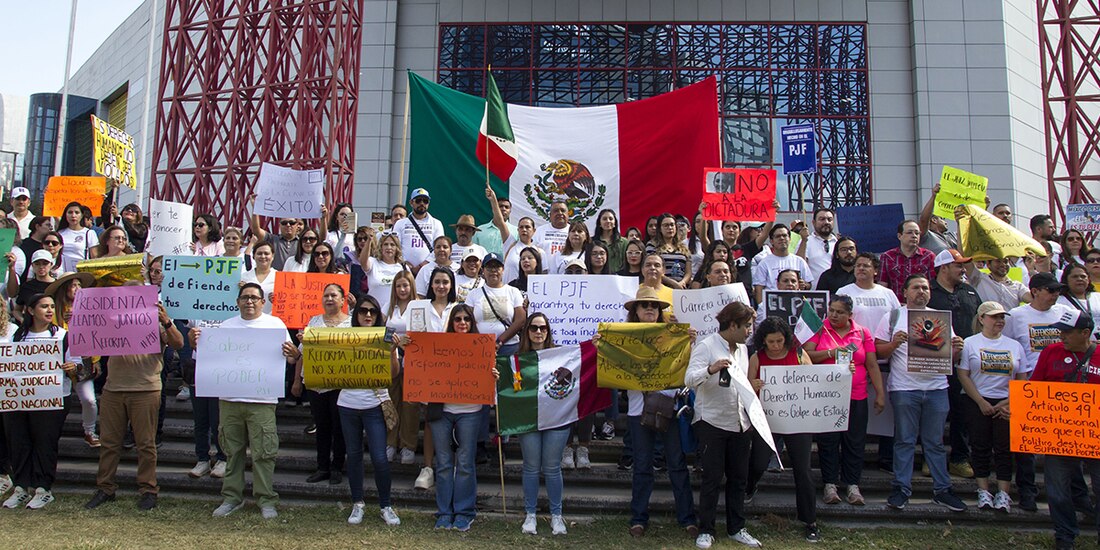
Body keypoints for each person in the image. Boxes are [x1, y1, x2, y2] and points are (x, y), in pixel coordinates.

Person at [192, 283, 299, 519]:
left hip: (262, 400)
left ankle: (266, 499)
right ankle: (232, 497)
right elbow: (208, 357)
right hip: (229, 400)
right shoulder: (225, 326)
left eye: (254, 297)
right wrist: (195, 341)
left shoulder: (275, 325)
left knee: (264, 453)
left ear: (263, 302)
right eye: (245, 297)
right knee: (232, 452)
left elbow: (291, 359)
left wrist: (294, 354)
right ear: (238, 301)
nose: (249, 301)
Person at [84, 283, 184, 511]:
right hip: (113, 388)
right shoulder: (111, 320)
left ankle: (148, 490)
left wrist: (166, 321)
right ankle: (105, 488)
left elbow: (178, 343)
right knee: (109, 442)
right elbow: (90, 337)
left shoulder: (157, 321)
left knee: (145, 443)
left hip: (145, 389)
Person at [874, 274, 967, 512]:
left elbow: (949, 358)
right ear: (905, 292)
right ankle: (901, 489)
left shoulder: (940, 318)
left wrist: (957, 350)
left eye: (925, 288)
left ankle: (942, 490)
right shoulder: (893, 316)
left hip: (937, 388)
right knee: (904, 440)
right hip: (904, 388)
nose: (921, 291)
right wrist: (893, 344)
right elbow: (878, 352)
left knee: (934, 443)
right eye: (916, 287)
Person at [614, 287, 698, 540]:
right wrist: (603, 347)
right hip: (638, 410)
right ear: (636, 311)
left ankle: (687, 518)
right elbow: (614, 370)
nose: (650, 308)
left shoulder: (674, 336)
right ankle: (638, 518)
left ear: (660, 311)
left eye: (654, 305)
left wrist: (690, 343)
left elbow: (688, 368)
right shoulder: (622, 338)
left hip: (669, 408)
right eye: (645, 305)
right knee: (642, 465)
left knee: (677, 464)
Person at [684, 301, 761, 548]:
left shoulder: (743, 350)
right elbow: (689, 379)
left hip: (740, 422)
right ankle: (706, 529)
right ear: (733, 325)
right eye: (746, 326)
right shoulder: (706, 345)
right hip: (712, 421)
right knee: (712, 478)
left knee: (738, 478)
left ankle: (736, 527)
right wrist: (710, 369)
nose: (750, 331)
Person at [1003, 272, 1076, 511]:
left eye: (1058, 291)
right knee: (1026, 446)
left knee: (1066, 444)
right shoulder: (1016, 315)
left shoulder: (1064, 312)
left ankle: (1075, 493)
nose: (1056, 295)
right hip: (1030, 384)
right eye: (1051, 290)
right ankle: (1027, 491)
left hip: (1062, 386)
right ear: (1034, 291)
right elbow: (1008, 347)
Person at [803, 294, 885, 507]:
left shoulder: (862, 332)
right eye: (831, 311)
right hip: (827, 396)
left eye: (840, 312)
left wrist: (880, 393)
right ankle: (830, 484)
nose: (834, 315)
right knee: (828, 441)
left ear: (850, 314)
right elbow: (806, 355)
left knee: (855, 441)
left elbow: (872, 364)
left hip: (856, 395)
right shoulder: (820, 328)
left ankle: (852, 485)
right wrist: (831, 352)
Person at [1028, 309, 1100, 549]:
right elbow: (1034, 389)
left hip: (1095, 436)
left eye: (1067, 332)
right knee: (1058, 490)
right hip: (1058, 437)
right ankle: (1065, 535)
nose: (1062, 336)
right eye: (1060, 331)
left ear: (1085, 333)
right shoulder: (1050, 352)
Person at [423, 305, 499, 531]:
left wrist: (493, 376)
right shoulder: (439, 346)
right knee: (444, 462)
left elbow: (489, 384)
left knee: (465, 462)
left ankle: (464, 512)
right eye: (458, 319)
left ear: (472, 323)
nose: (462, 322)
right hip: (442, 411)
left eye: (467, 319)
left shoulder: (483, 348)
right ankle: (444, 512)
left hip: (470, 411)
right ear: (451, 322)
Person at [1, 293, 78, 510]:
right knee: (19, 442)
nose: (50, 310)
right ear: (30, 310)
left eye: (52, 306)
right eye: (44, 306)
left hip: (53, 399)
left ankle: (43, 489)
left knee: (45, 442)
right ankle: (21, 487)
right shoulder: (17, 336)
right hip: (19, 399)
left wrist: (73, 368)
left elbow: (79, 366)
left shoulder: (63, 335)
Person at [747, 316, 820, 543]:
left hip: (797, 421)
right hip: (767, 420)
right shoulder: (756, 358)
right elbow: (747, 388)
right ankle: (749, 486)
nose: (776, 346)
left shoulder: (798, 354)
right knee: (758, 462)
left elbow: (814, 380)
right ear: (763, 340)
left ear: (786, 338)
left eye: (779, 341)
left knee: (803, 470)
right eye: (771, 342)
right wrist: (753, 385)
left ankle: (810, 520)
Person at [956, 301, 1026, 513]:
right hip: (977, 400)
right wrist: (980, 401)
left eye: (1002, 317)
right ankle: (983, 490)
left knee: (1004, 449)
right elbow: (963, 374)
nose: (999, 321)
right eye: (994, 317)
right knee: (980, 446)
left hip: (1006, 402)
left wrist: (1008, 402)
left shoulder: (1015, 346)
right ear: (981, 319)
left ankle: (1004, 493)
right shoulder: (970, 343)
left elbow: (1022, 378)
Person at [340, 296, 402, 526]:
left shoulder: (386, 336)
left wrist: (392, 351)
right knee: (354, 455)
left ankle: (386, 505)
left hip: (374, 404)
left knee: (379, 457)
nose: (368, 315)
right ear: (356, 314)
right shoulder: (344, 336)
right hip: (348, 404)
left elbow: (393, 374)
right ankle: (358, 503)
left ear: (378, 315)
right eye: (363, 311)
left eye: (373, 311)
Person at [400, 267, 458, 490]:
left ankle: (450, 466)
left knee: (454, 420)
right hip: (428, 374)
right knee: (431, 420)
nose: (441, 286)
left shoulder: (459, 309)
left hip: (455, 374)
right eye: (437, 282)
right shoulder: (418, 307)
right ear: (431, 284)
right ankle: (427, 467)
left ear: (451, 285)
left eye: (445, 282)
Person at [513, 312, 570, 536]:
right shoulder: (517, 359)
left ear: (548, 331)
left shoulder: (561, 355)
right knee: (530, 467)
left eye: (543, 328)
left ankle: (557, 515)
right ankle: (530, 514)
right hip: (529, 418)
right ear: (527, 331)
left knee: (552, 468)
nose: (538, 332)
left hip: (557, 418)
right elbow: (512, 388)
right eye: (534, 328)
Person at [928, 249, 982, 478]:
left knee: (961, 411)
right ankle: (931, 458)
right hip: (934, 363)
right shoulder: (928, 292)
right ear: (944, 268)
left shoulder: (969, 291)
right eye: (958, 265)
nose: (963, 269)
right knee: (934, 413)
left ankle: (959, 458)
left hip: (965, 364)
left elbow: (979, 322)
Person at [292, 283, 349, 485]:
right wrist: (297, 380)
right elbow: (302, 353)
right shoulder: (314, 321)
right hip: (316, 383)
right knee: (322, 426)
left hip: (341, 384)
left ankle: (337, 467)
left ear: (343, 300)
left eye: (334, 295)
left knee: (339, 427)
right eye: (326, 296)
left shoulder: (351, 323)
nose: (329, 299)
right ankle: (322, 467)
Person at [46, 271, 99, 448]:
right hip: (57, 363)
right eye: (73, 285)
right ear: (65, 288)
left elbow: (97, 334)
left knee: (89, 400)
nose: (77, 289)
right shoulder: (53, 309)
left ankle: (90, 431)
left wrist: (95, 360)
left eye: (79, 285)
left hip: (82, 361)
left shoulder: (90, 309)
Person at [385, 271, 419, 464]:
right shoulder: (389, 307)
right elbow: (381, 332)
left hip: (413, 360)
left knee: (410, 405)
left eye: (405, 285)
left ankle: (408, 445)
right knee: (392, 400)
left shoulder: (419, 306)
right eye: (398, 286)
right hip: (392, 358)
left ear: (411, 286)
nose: (402, 289)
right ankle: (391, 442)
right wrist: (395, 342)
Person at [837, 253, 901, 332]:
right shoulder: (843, 292)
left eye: (866, 266)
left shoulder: (888, 293)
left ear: (876, 271)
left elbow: (899, 320)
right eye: (858, 265)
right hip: (855, 339)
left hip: (883, 339)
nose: (861, 268)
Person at [751, 224, 813, 303]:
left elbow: (809, 284)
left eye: (784, 235)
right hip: (773, 305)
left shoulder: (799, 261)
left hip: (796, 304)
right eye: (778, 236)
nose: (782, 238)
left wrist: (804, 285)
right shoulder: (764, 263)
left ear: (789, 239)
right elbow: (759, 289)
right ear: (771, 241)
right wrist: (761, 307)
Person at [879, 220, 935, 303]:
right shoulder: (887, 257)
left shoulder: (928, 256)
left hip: (920, 305)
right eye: (909, 233)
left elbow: (933, 285)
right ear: (899, 236)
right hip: (896, 305)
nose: (914, 236)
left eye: (917, 233)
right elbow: (882, 285)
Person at [392, 188, 445, 274]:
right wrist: (404, 263)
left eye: (425, 201)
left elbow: (439, 247)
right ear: (411, 202)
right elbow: (396, 246)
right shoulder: (400, 223)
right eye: (418, 200)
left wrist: (423, 265)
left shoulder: (436, 223)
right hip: (404, 269)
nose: (422, 203)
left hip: (429, 269)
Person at [248, 193, 301, 270]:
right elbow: (256, 229)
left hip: (296, 276)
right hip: (274, 276)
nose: (288, 225)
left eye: (292, 223)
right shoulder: (272, 239)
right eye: (284, 223)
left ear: (297, 225)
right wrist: (255, 208)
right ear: (279, 225)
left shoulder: (303, 242)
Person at [362, 231, 408, 313]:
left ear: (397, 248)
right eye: (386, 244)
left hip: (394, 313)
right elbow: (363, 261)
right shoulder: (373, 262)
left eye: (392, 245)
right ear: (381, 247)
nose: (389, 247)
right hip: (374, 312)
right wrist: (369, 241)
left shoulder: (403, 267)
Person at [965, 256, 1031, 311]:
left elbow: (1033, 300)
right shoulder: (979, 279)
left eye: (1005, 261)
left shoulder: (1018, 286)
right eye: (998, 261)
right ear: (988, 264)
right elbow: (965, 260)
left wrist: (1031, 270)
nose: (1003, 264)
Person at [1056, 262, 1100, 340]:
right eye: (1075, 277)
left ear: (1088, 279)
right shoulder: (1058, 301)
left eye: (1083, 276)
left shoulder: (1097, 296)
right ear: (1066, 279)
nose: (1079, 279)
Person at [648, 213, 693, 289]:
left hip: (681, 288)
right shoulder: (652, 245)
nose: (670, 228)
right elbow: (652, 269)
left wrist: (682, 283)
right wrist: (673, 283)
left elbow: (688, 272)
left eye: (672, 225)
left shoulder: (684, 247)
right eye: (666, 225)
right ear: (660, 229)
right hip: (661, 288)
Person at [797, 207, 839, 281]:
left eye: (829, 219)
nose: (826, 222)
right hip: (814, 287)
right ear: (814, 222)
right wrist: (804, 241)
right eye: (822, 219)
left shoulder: (838, 243)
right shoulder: (806, 242)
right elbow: (799, 264)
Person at [57, 201, 99, 273]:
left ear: (82, 215)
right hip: (61, 271)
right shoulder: (60, 233)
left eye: (77, 212)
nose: (73, 215)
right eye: (70, 212)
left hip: (80, 271)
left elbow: (94, 256)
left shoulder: (89, 233)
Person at [917, 184, 960, 255]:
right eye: (942, 219)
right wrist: (934, 197)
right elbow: (924, 220)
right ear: (934, 220)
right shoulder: (926, 236)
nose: (946, 222)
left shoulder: (952, 236)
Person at [473, 191, 516, 256]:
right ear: (494, 209)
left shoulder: (516, 231)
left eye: (506, 207)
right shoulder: (479, 230)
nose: (503, 209)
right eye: (500, 206)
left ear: (510, 211)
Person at [241, 242, 277, 314]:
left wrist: (278, 299)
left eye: (266, 253)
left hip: (272, 318)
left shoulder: (280, 277)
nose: (263, 256)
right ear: (253, 256)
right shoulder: (244, 277)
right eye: (259, 253)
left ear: (272, 256)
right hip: (249, 318)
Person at [593, 208, 628, 273]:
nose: (608, 221)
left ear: (615, 223)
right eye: (604, 219)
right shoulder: (592, 242)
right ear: (599, 223)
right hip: (597, 276)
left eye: (611, 219)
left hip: (619, 276)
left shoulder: (624, 242)